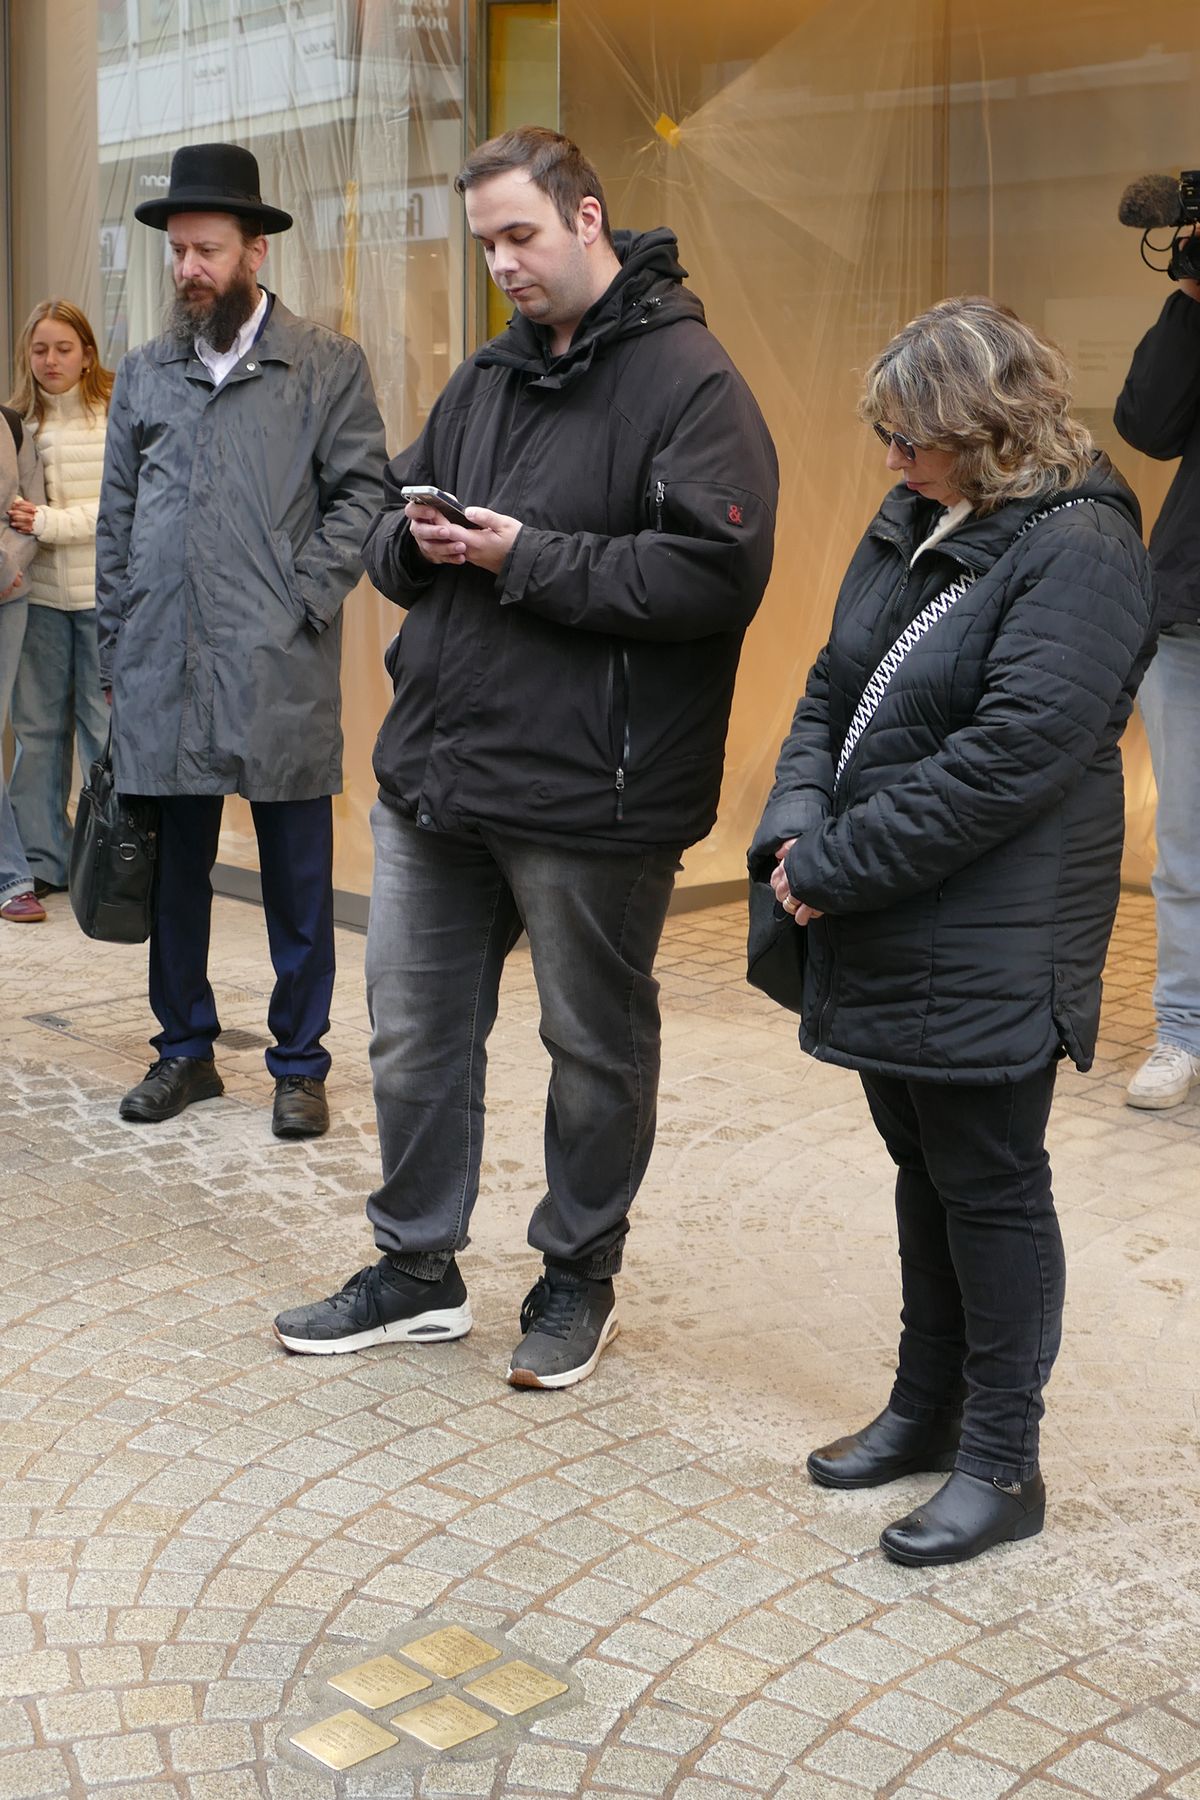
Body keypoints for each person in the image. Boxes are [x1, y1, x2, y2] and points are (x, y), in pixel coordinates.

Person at [273, 126, 778, 1386]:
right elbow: (392, 514)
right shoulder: (486, 377)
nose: (500, 262)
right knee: (411, 1038)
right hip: (438, 777)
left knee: (591, 1052)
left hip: (594, 795)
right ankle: (416, 1270)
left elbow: (715, 576)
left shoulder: (692, 380)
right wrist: (414, 541)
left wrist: (524, 557)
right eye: (485, 242)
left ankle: (576, 1280)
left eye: (519, 235)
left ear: (586, 219)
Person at [751, 299, 1155, 1567]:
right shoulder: (919, 513)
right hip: (892, 910)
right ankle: (925, 1410)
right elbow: (832, 685)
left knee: (989, 1184)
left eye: (910, 437)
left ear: (989, 430)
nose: (891, 459)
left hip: (993, 926)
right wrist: (796, 825)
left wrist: (834, 867)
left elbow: (1010, 759)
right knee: (922, 1168)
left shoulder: (1082, 543)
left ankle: (1001, 1462)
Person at [95, 142, 386, 1138]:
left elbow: (364, 493)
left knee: (297, 880)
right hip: (162, 665)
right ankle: (184, 1052)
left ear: (255, 250)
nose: (187, 269)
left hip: (277, 666)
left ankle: (299, 1065)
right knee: (174, 879)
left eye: (206, 250)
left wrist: (304, 598)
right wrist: (116, 647)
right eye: (177, 251)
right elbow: (117, 518)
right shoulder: (145, 373)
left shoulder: (325, 364)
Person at [1114, 258, 1200, 1109]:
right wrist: (1192, 298)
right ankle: (1183, 1030)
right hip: (1191, 618)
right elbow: (1147, 422)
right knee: (1187, 848)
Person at [7, 301, 113, 901]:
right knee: (38, 734)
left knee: (102, 733)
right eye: (40, 349)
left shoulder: (116, 414)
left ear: (87, 355)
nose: (51, 360)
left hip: (103, 602)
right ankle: (43, 861)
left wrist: (47, 520)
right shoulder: (17, 424)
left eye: (64, 349)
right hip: (40, 601)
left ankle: (106, 866)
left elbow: (123, 509)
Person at [0, 405, 46, 924]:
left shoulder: (12, 426)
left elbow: (32, 512)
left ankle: (11, 876)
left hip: (8, 598)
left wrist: (7, 568)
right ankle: (11, 876)